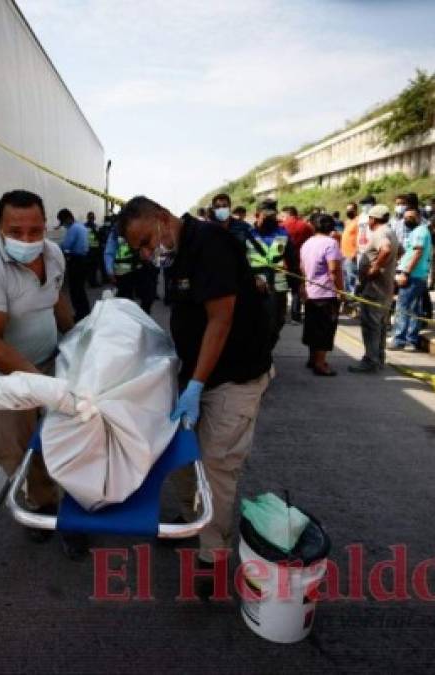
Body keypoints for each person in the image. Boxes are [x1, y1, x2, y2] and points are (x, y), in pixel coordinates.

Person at [118, 196, 272, 596]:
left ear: (164, 218)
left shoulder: (209, 243)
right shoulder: (177, 254)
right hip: (196, 374)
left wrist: (198, 384)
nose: (149, 254)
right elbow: (188, 318)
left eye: (148, 241)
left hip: (234, 376)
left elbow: (220, 319)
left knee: (218, 463)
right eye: (141, 251)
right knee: (182, 454)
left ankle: (213, 556)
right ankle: (192, 520)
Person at [0, 190, 87, 559]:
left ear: (45, 226)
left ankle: (74, 516)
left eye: (35, 230)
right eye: (16, 231)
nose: (28, 240)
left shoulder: (53, 254)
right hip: (0, 377)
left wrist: (79, 336)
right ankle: (42, 507)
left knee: (69, 439)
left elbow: (57, 300)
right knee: (15, 449)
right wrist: (41, 386)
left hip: (48, 361)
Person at [349, 204, 399, 373]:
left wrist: (375, 268)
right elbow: (399, 252)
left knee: (371, 325)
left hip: (374, 288)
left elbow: (385, 249)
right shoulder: (391, 232)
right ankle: (378, 357)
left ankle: (370, 360)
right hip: (384, 287)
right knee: (381, 325)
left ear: (373, 219)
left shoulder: (380, 233)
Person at [300, 215, 344, 376]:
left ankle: (312, 359)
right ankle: (320, 364)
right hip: (326, 293)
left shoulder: (307, 243)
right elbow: (334, 270)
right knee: (325, 330)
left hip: (311, 292)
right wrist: (340, 290)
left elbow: (302, 267)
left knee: (313, 327)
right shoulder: (331, 243)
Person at [248, 202, 292, 350]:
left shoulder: (283, 234)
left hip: (278, 287)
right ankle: (261, 357)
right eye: (266, 217)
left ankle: (266, 352)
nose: (270, 220)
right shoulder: (247, 234)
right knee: (256, 324)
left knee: (277, 323)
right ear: (257, 216)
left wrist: (299, 285)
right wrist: (252, 278)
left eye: (273, 217)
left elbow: (293, 260)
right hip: (253, 288)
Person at [389, 208, 432, 352]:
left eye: (411, 217)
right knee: (414, 308)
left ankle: (399, 340)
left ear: (419, 217)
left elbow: (417, 252)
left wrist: (406, 272)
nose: (407, 219)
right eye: (405, 217)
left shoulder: (420, 231)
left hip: (413, 275)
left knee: (402, 307)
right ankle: (411, 339)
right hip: (416, 274)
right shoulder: (418, 231)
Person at [104, 223, 155, 314]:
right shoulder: (116, 231)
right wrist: (109, 271)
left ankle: (142, 318)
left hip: (140, 268)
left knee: (148, 296)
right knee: (124, 302)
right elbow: (109, 252)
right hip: (123, 273)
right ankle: (127, 322)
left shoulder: (141, 228)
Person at [57, 208, 90, 321]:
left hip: (76, 261)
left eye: (63, 222)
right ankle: (85, 312)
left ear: (67, 218)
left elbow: (66, 245)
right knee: (81, 288)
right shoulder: (82, 227)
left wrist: (57, 247)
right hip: (84, 259)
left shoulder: (73, 229)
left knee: (75, 289)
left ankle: (80, 314)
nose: (64, 225)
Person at [283, 205, 313, 324]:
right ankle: (295, 317)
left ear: (289, 214)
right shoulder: (306, 226)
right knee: (296, 290)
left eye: (283, 216)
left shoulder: (282, 226)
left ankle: (283, 315)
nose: (282, 218)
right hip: (300, 262)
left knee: (283, 289)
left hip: (284, 263)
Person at [340, 202, 359, 311]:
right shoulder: (348, 222)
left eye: (351, 209)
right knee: (346, 281)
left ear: (356, 210)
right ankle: (347, 305)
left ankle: (352, 307)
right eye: (347, 209)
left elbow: (360, 238)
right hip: (344, 255)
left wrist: (355, 252)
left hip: (351, 256)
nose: (348, 211)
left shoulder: (358, 222)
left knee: (352, 282)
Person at [85, 211, 102, 288]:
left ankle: (93, 281)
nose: (92, 219)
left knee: (93, 267)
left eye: (92, 217)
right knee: (92, 267)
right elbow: (99, 236)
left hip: (92, 249)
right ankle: (92, 282)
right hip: (92, 249)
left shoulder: (87, 226)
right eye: (91, 217)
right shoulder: (93, 226)